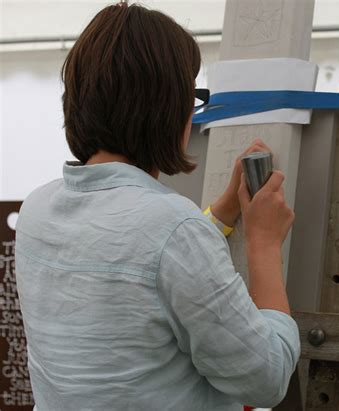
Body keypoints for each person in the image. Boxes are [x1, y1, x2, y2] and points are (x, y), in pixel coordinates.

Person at [15, 2, 300, 410]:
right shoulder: (174, 230)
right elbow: (265, 379)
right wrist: (264, 245)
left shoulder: (38, 209)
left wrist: (223, 212)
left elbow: (137, 257)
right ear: (168, 107)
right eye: (192, 97)